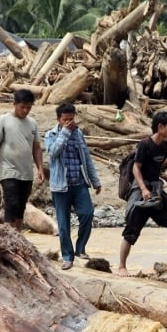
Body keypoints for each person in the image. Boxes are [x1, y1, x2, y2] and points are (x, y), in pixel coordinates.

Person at [118, 111, 167, 276]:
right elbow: (136, 168)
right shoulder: (144, 144)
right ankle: (121, 266)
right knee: (132, 230)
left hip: (157, 190)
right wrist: (143, 189)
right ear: (160, 127)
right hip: (142, 190)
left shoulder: (166, 145)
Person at [45, 103, 102, 270]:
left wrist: (95, 181)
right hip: (60, 186)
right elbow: (53, 153)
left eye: (71, 119)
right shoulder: (51, 134)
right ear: (58, 120)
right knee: (63, 224)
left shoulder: (79, 134)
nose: (69, 122)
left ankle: (80, 248)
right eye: (65, 120)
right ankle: (67, 256)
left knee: (87, 214)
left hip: (79, 183)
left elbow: (86, 159)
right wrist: (64, 133)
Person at [0, 89, 45, 231]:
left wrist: (40, 168)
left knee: (21, 205)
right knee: (11, 203)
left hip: (26, 172)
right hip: (8, 170)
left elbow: (36, 148)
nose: (25, 110)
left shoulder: (32, 123)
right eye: (22, 107)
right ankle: (7, 234)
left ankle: (17, 235)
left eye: (28, 107)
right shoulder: (3, 120)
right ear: (14, 104)